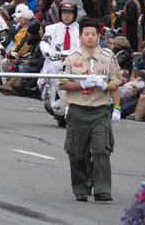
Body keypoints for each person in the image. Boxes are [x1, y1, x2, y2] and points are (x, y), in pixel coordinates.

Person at [60, 17, 120, 203]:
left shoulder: (108, 58)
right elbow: (62, 83)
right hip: (78, 110)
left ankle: (102, 189)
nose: (90, 37)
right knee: (77, 153)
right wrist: (80, 84)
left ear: (98, 37)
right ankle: (81, 186)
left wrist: (105, 86)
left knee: (102, 149)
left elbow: (117, 82)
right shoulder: (72, 58)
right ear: (80, 37)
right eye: (87, 34)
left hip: (100, 111)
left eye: (93, 34)